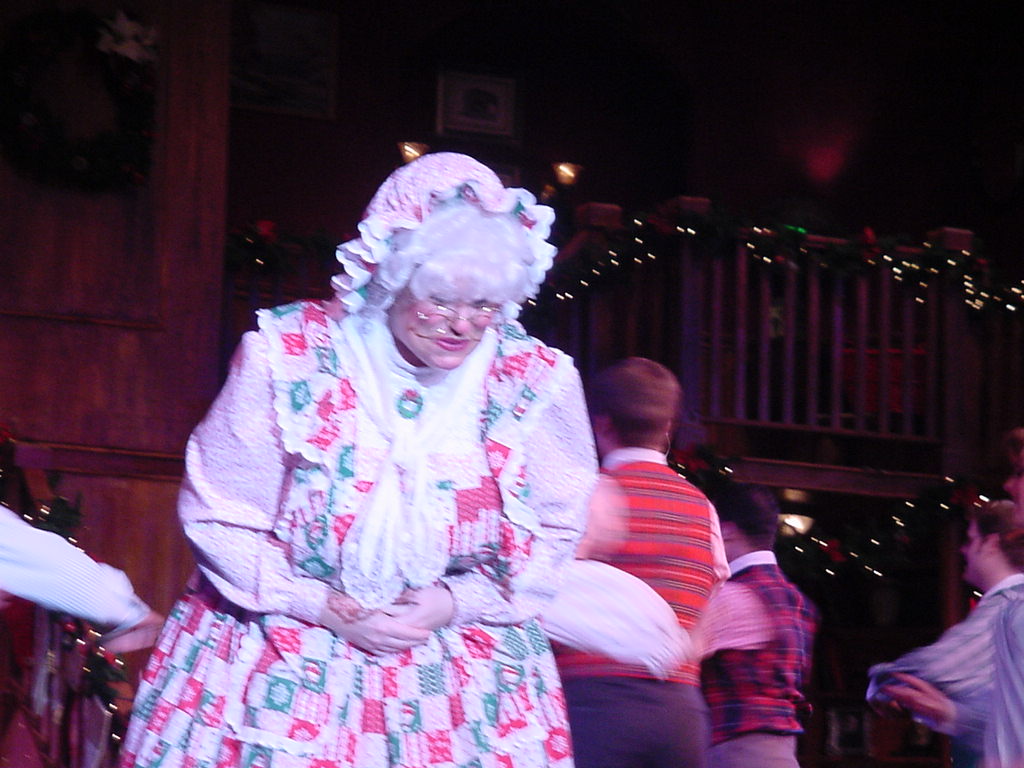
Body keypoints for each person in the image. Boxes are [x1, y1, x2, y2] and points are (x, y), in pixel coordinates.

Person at [118, 153, 599, 768]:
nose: (461, 325)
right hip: (286, 650)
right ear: (391, 278)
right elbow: (221, 513)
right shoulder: (292, 355)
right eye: (439, 300)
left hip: (463, 679)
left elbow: (555, 527)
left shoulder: (530, 380)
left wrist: (456, 601)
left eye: (483, 305)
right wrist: (324, 607)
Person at [554, 356, 728, 768]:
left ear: (601, 424)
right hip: (680, 711)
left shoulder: (583, 496)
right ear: (668, 427)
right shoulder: (702, 507)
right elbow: (712, 607)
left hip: (594, 706)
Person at [867, 499, 1024, 768]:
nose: (963, 549)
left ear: (990, 544)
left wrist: (881, 681)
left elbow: (928, 670)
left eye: (971, 540)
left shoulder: (1007, 605)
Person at [695, 482, 818, 768]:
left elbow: (675, 661)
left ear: (726, 530)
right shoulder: (799, 601)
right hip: (783, 751)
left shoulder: (731, 597)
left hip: (735, 752)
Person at [0, 502, 162, 653]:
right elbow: (109, 644)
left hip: (35, 555)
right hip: (34, 558)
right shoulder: (107, 604)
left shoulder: (112, 599)